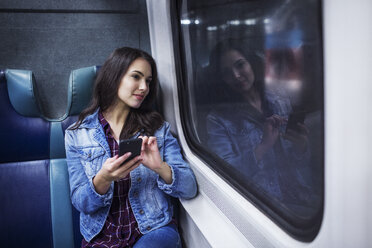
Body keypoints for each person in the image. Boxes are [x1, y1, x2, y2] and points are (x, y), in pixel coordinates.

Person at [65, 47, 197, 248]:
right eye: (136, 77)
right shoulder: (77, 134)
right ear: (114, 77)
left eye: (148, 81)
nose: (144, 87)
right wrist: (103, 178)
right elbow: (81, 202)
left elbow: (189, 187)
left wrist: (159, 167)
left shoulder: (158, 129)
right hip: (101, 237)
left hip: (153, 229)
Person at [205, 39, 316, 214]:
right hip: (263, 201)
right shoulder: (218, 119)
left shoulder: (278, 95)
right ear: (221, 80)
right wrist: (263, 147)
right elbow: (224, 174)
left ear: (251, 63)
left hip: (300, 191)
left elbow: (300, 162)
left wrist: (301, 147)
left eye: (240, 65)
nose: (236, 75)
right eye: (227, 73)